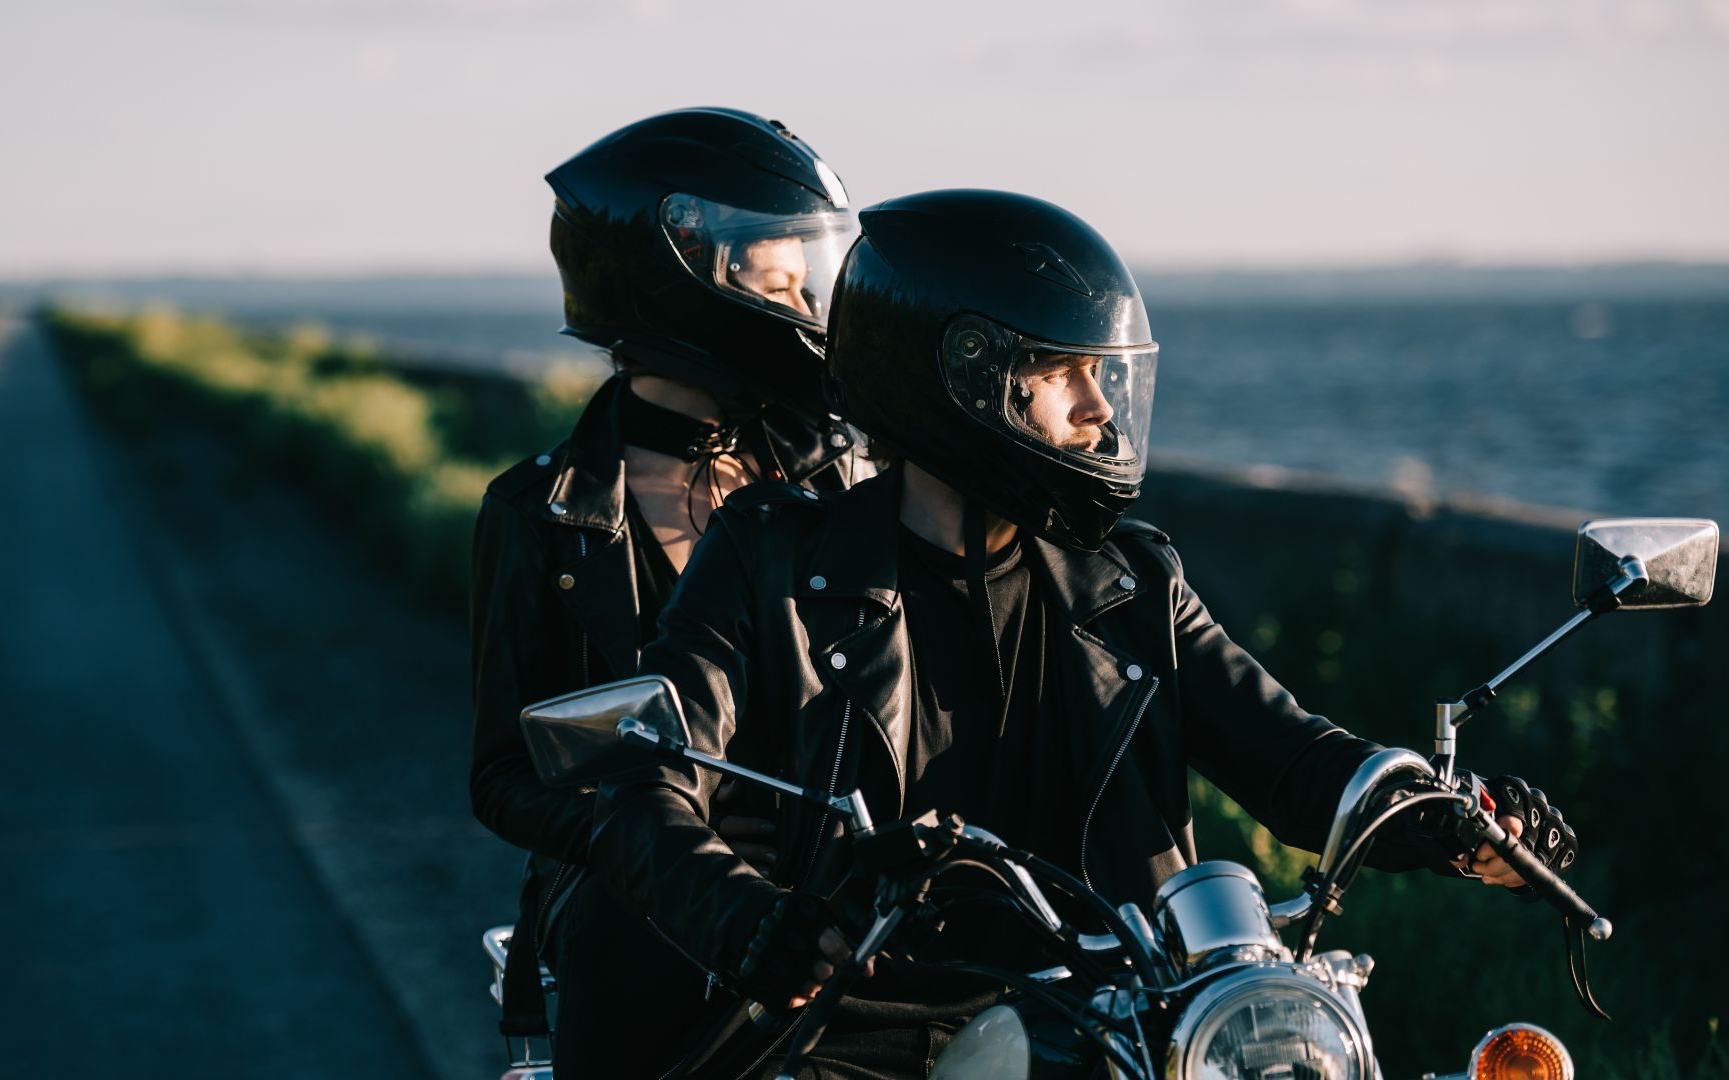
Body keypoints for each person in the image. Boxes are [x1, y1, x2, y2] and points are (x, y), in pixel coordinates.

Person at [585, 189, 1579, 1078]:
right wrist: (748, 915)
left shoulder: (1132, 585)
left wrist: (1452, 815)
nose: (1102, 411)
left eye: (1104, 376)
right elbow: (644, 775)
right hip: (849, 1033)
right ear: (965, 375)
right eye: (1067, 375)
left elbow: (1294, 757)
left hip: (1109, 1027)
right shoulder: (769, 562)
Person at [467, 107, 867, 1077]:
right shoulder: (539, 511)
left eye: (804, 279)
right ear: (682, 285)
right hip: (638, 915)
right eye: (778, 283)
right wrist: (641, 835)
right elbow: (502, 776)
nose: (806, 308)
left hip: (829, 900)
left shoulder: (836, 481)